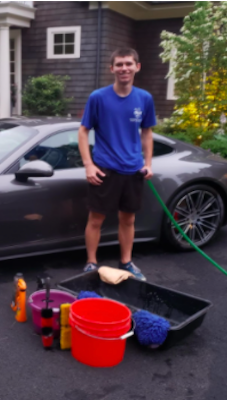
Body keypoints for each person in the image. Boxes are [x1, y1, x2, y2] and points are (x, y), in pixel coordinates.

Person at [77, 48, 156, 281]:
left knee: (128, 219)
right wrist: (88, 165)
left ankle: (127, 262)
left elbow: (147, 132)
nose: (124, 68)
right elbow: (83, 131)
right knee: (96, 219)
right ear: (112, 69)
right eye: (119, 64)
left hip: (133, 170)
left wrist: (148, 163)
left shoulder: (144, 98)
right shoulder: (98, 97)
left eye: (129, 64)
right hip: (105, 170)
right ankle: (91, 263)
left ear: (137, 67)